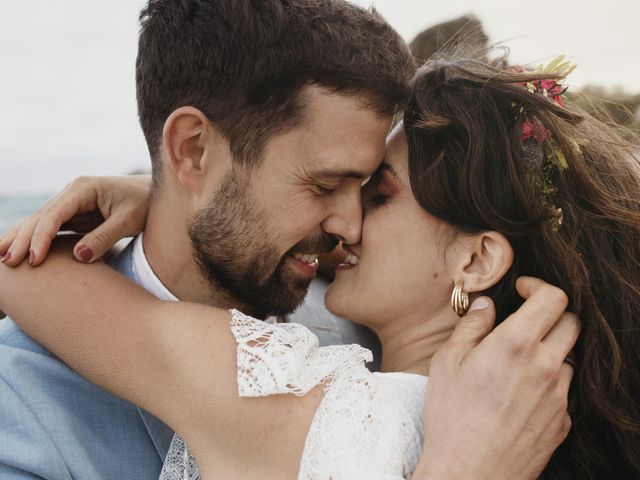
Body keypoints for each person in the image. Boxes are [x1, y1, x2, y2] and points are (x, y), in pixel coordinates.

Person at [11, 51, 636, 477]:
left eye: (378, 195)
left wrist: (178, 202)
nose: (347, 223)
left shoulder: (309, 406)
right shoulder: (538, 421)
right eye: (337, 186)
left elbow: (19, 270)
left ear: (476, 260)